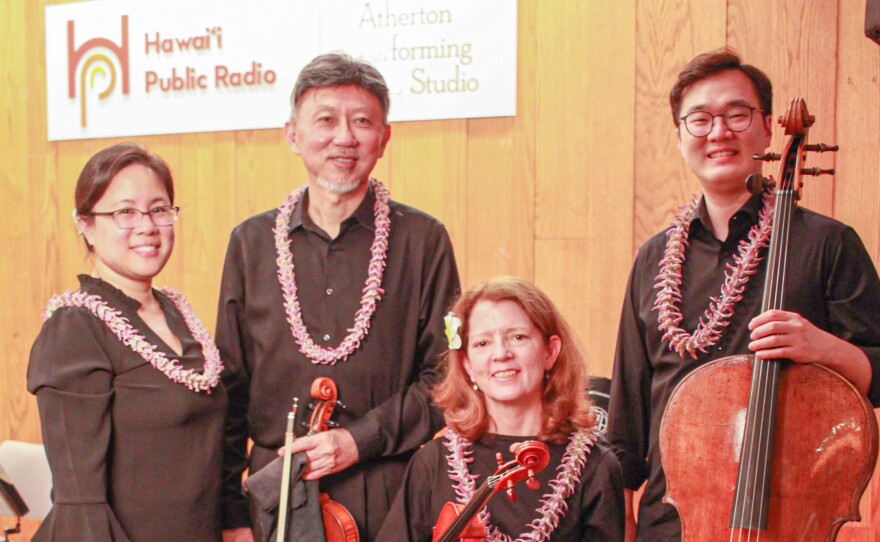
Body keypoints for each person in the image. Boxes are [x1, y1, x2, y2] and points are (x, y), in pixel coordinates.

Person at [607, 47, 880, 541]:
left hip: (792, 518)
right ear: (679, 135)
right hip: (672, 524)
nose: (719, 132)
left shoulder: (827, 244)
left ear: (768, 126)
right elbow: (627, 417)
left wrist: (825, 349)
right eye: (700, 119)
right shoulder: (653, 259)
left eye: (737, 114)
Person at [217, 52, 461, 541]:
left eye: (362, 121)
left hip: (391, 491)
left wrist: (357, 441)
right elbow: (229, 386)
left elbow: (446, 378)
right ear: (293, 135)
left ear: (384, 138)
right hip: (274, 496)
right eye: (325, 119)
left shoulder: (424, 240)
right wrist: (232, 515)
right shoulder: (250, 243)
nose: (344, 137)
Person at [27, 143, 227, 541]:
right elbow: (80, 501)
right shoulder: (75, 328)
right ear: (85, 224)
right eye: (124, 212)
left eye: (159, 209)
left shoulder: (176, 312)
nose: (147, 226)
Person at [377, 276, 625, 541]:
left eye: (517, 337)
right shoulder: (432, 464)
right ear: (467, 364)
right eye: (482, 343)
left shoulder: (595, 467)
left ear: (549, 352)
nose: (501, 354)